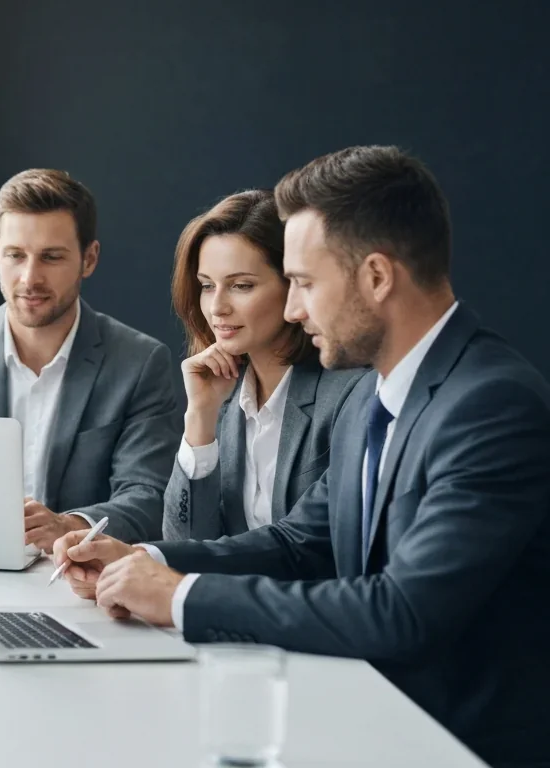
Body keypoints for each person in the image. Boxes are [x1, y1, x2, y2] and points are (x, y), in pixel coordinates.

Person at [51, 146, 550, 768]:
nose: (292, 308)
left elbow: (402, 612)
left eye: (306, 283)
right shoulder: (382, 391)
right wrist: (144, 557)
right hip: (363, 715)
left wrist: (181, 596)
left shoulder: (490, 403)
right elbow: (298, 542)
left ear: (376, 276)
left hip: (448, 744)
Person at [0, 168, 181, 549]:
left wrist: (68, 526)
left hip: (77, 579)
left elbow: (147, 495)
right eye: (15, 255)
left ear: (89, 258)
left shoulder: (139, 362)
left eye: (51, 257)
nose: (30, 278)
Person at [164, 189, 364, 541]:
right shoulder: (222, 391)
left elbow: (317, 551)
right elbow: (186, 543)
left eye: (241, 285)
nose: (217, 307)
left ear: (294, 285)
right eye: (207, 286)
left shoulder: (349, 391)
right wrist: (200, 416)